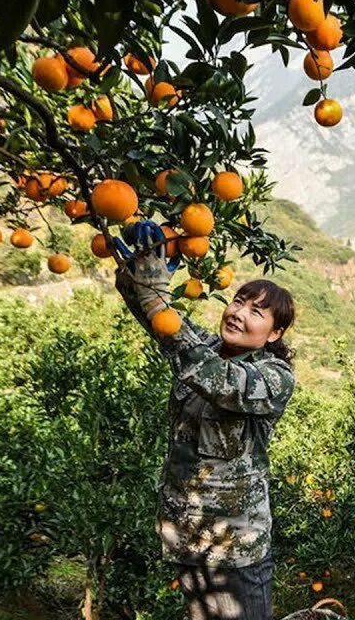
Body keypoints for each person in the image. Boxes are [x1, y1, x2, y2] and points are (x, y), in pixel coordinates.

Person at [116, 219, 296, 620]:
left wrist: (159, 301)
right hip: (189, 536)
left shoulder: (273, 377)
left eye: (256, 312)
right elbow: (156, 320)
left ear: (274, 333)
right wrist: (143, 271)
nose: (238, 313)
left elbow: (215, 377)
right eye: (237, 302)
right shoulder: (207, 345)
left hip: (235, 548)